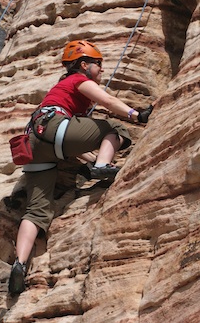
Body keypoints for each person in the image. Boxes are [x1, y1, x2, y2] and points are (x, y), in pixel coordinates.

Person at [8, 40, 153, 295]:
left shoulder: (60, 89)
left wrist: (87, 160)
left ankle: (19, 264)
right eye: (98, 64)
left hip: (35, 142)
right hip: (55, 127)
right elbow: (107, 101)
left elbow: (69, 143)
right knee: (113, 128)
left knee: (37, 211)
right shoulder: (78, 80)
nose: (102, 69)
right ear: (84, 65)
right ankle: (103, 165)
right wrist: (136, 115)